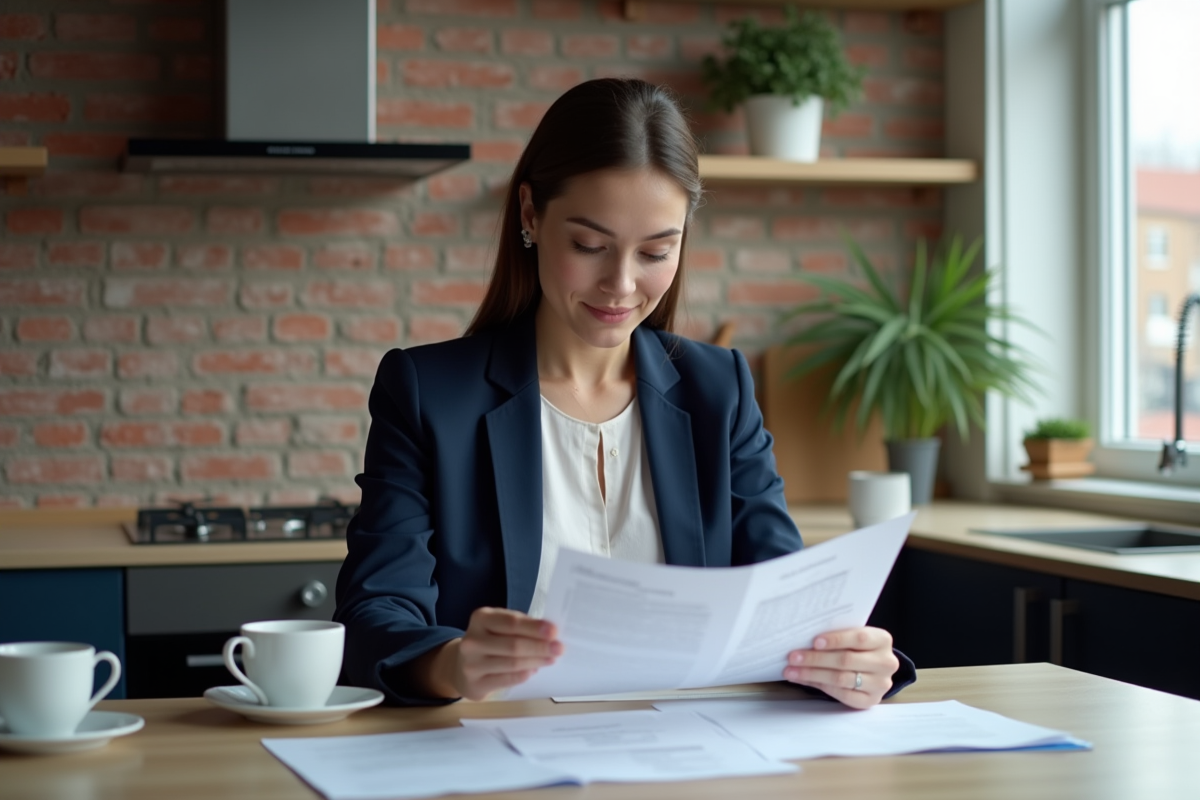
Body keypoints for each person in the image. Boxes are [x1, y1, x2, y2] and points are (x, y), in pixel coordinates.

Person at [334, 78, 915, 709]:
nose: (621, 284)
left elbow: (786, 603)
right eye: (589, 246)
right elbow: (374, 614)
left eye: (656, 251)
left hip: (691, 749)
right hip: (496, 748)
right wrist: (449, 664)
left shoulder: (718, 391)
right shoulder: (428, 393)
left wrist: (849, 662)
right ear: (530, 215)